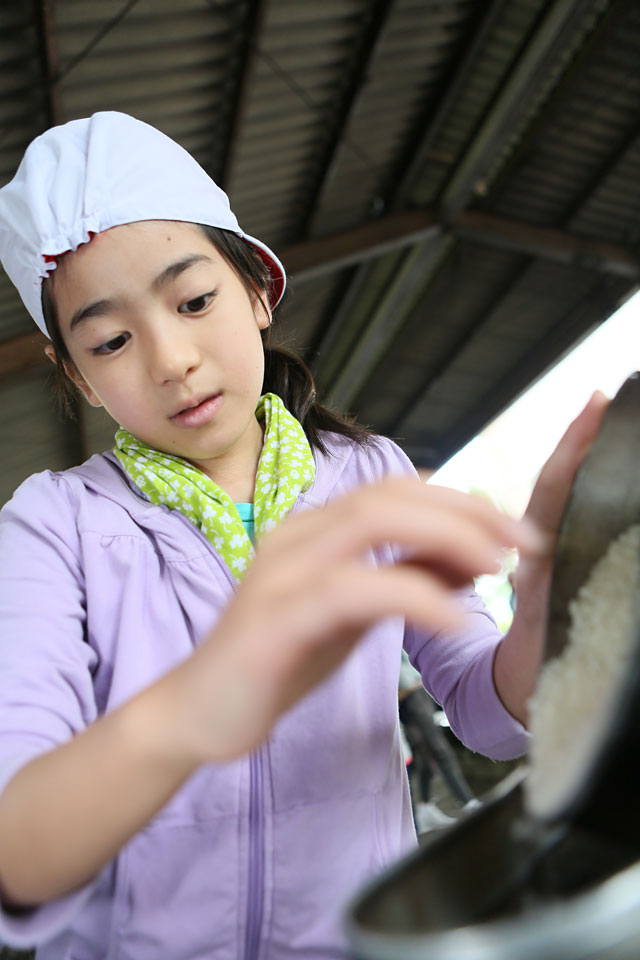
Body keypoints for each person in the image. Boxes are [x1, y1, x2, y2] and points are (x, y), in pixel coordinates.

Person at [0, 112, 607, 960]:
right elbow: (18, 849)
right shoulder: (51, 526)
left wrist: (546, 627)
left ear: (258, 290)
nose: (170, 358)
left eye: (195, 300)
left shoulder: (371, 476)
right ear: (80, 377)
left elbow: (484, 711)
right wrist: (197, 704)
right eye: (110, 341)